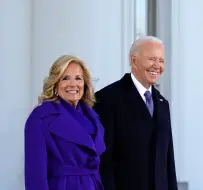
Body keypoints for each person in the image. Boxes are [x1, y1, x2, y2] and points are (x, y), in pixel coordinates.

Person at [94, 36, 178, 190]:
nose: (157, 66)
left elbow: (168, 160)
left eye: (161, 60)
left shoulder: (163, 104)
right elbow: (103, 161)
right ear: (134, 61)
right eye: (152, 59)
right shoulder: (107, 99)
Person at [24, 55, 106, 190]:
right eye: (65, 78)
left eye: (78, 78)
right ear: (55, 84)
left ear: (85, 84)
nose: (73, 84)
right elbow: (35, 174)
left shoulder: (92, 117)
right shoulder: (41, 117)